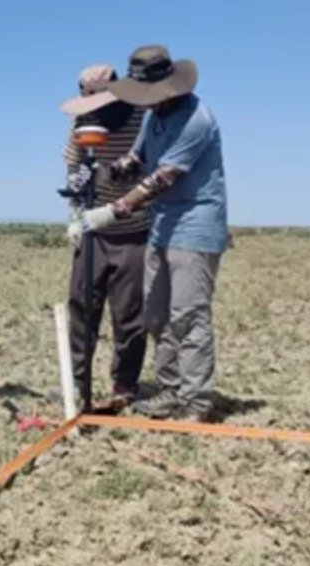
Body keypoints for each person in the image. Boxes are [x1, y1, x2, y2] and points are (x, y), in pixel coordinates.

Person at [75, 45, 228, 422]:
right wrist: (101, 172)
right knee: (156, 315)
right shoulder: (153, 117)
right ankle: (170, 390)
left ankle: (195, 402)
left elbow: (161, 178)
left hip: (194, 227)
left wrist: (112, 211)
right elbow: (137, 160)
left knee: (188, 315)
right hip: (162, 224)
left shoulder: (196, 119)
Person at [60, 64, 151, 409]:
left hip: (135, 228)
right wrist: (75, 211)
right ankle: (78, 383)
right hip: (93, 228)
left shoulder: (141, 116)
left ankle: (124, 385)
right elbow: (73, 164)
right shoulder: (82, 119)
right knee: (82, 307)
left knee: (130, 315)